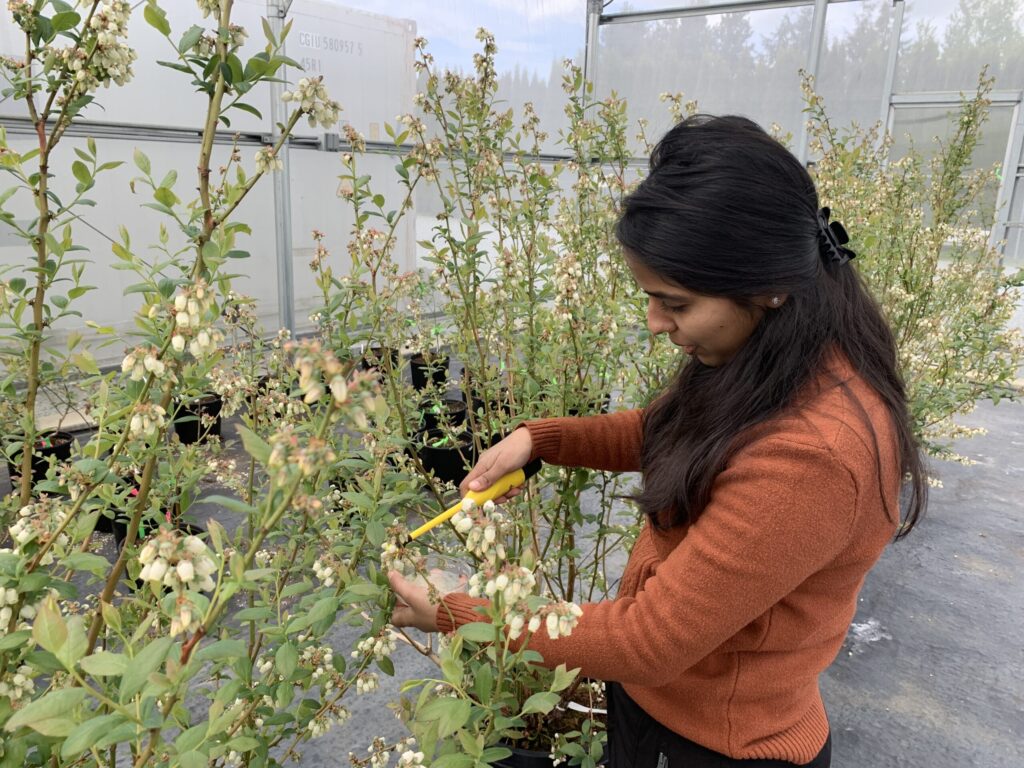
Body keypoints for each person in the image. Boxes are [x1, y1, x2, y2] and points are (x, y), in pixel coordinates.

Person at [389, 114, 927, 767]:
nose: (654, 323)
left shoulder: (815, 453)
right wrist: (540, 439)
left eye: (674, 303)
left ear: (768, 290)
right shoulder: (768, 359)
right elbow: (664, 430)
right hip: (656, 705)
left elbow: (650, 639)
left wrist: (454, 611)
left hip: (721, 744)